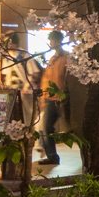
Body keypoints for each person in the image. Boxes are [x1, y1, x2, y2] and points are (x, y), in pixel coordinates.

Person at [36, 29, 68, 165]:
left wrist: (63, 96)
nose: (51, 43)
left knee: (68, 128)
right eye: (50, 40)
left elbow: (67, 79)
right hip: (50, 98)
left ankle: (52, 156)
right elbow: (47, 79)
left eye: (53, 40)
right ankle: (52, 156)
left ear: (59, 41)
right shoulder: (53, 59)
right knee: (46, 128)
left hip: (61, 99)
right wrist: (43, 97)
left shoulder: (66, 58)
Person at [1, 32, 40, 127]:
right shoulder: (7, 57)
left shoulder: (24, 55)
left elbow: (34, 72)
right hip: (12, 90)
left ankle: (28, 131)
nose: (8, 46)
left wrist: (27, 85)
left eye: (9, 43)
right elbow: (5, 75)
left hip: (25, 90)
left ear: (15, 43)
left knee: (28, 113)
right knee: (11, 113)